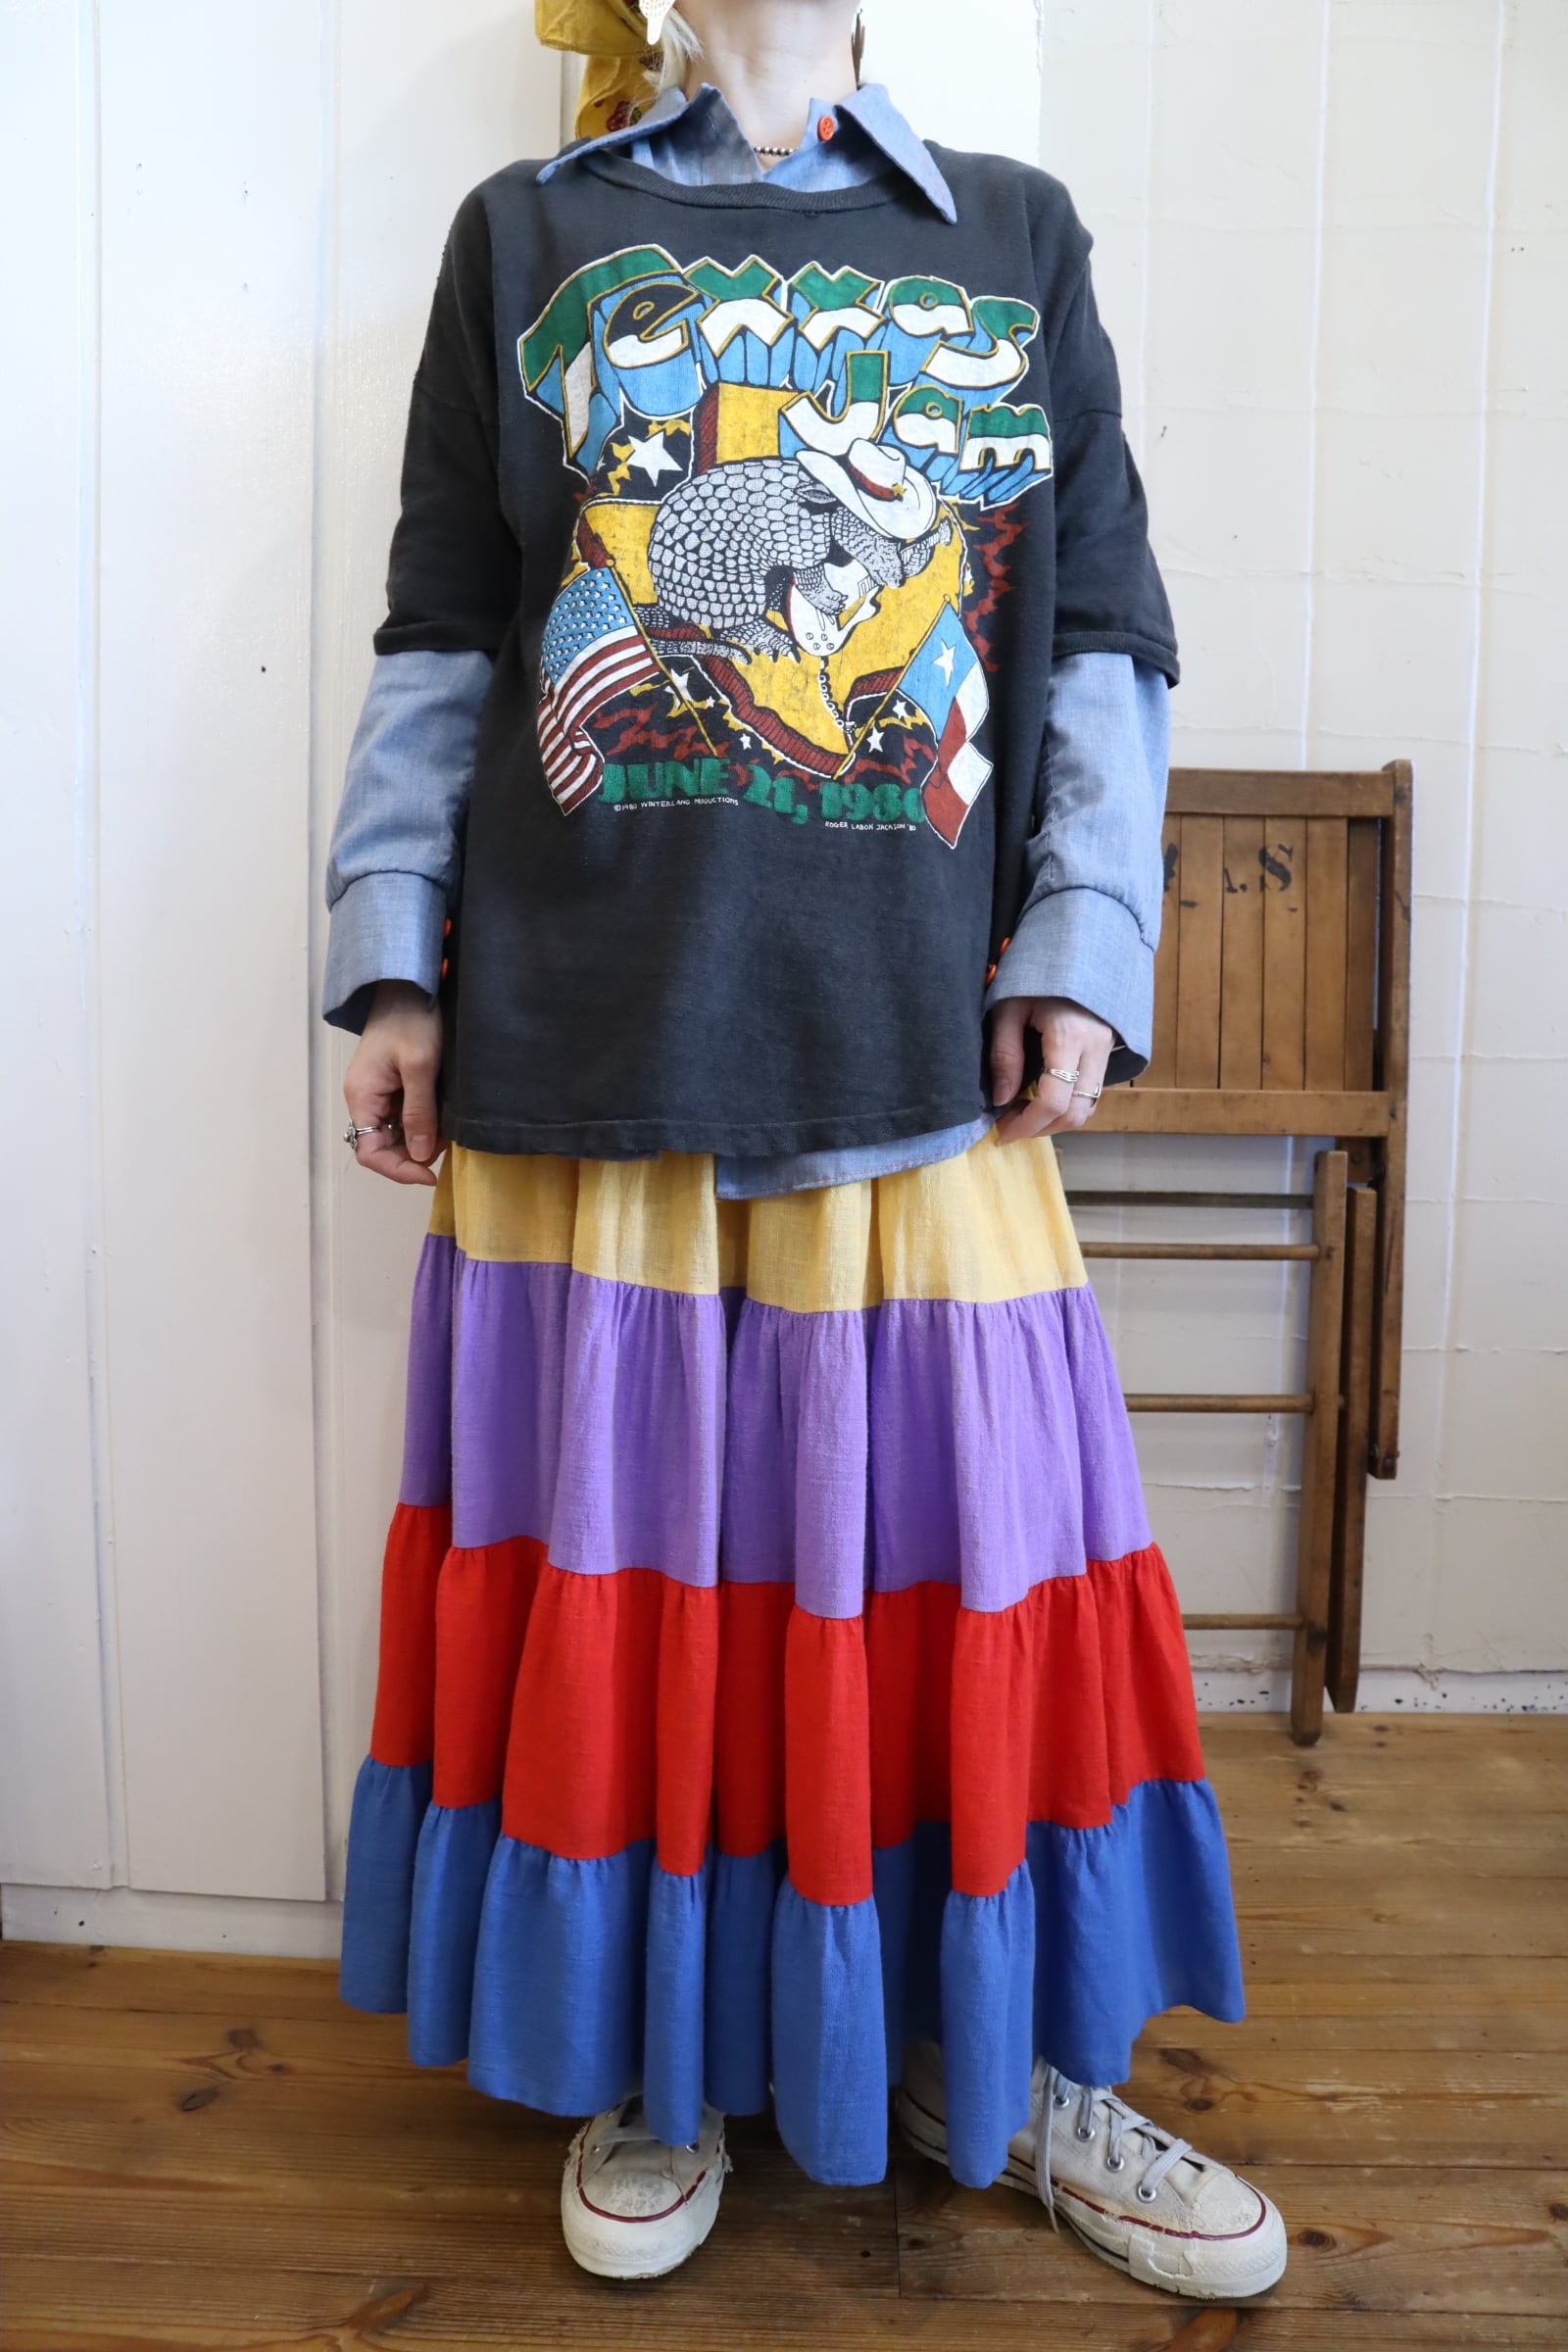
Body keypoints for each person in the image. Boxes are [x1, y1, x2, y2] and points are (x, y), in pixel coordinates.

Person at [324, 0, 1288, 2302]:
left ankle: (1002, 2058)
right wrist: (388, 962)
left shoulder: (1012, 239)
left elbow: (1100, 636)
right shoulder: (525, 232)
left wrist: (1081, 941)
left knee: (970, 1582)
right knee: (643, 1595)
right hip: (591, 1039)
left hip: (914, 1045)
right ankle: (659, 2062)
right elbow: (445, 637)